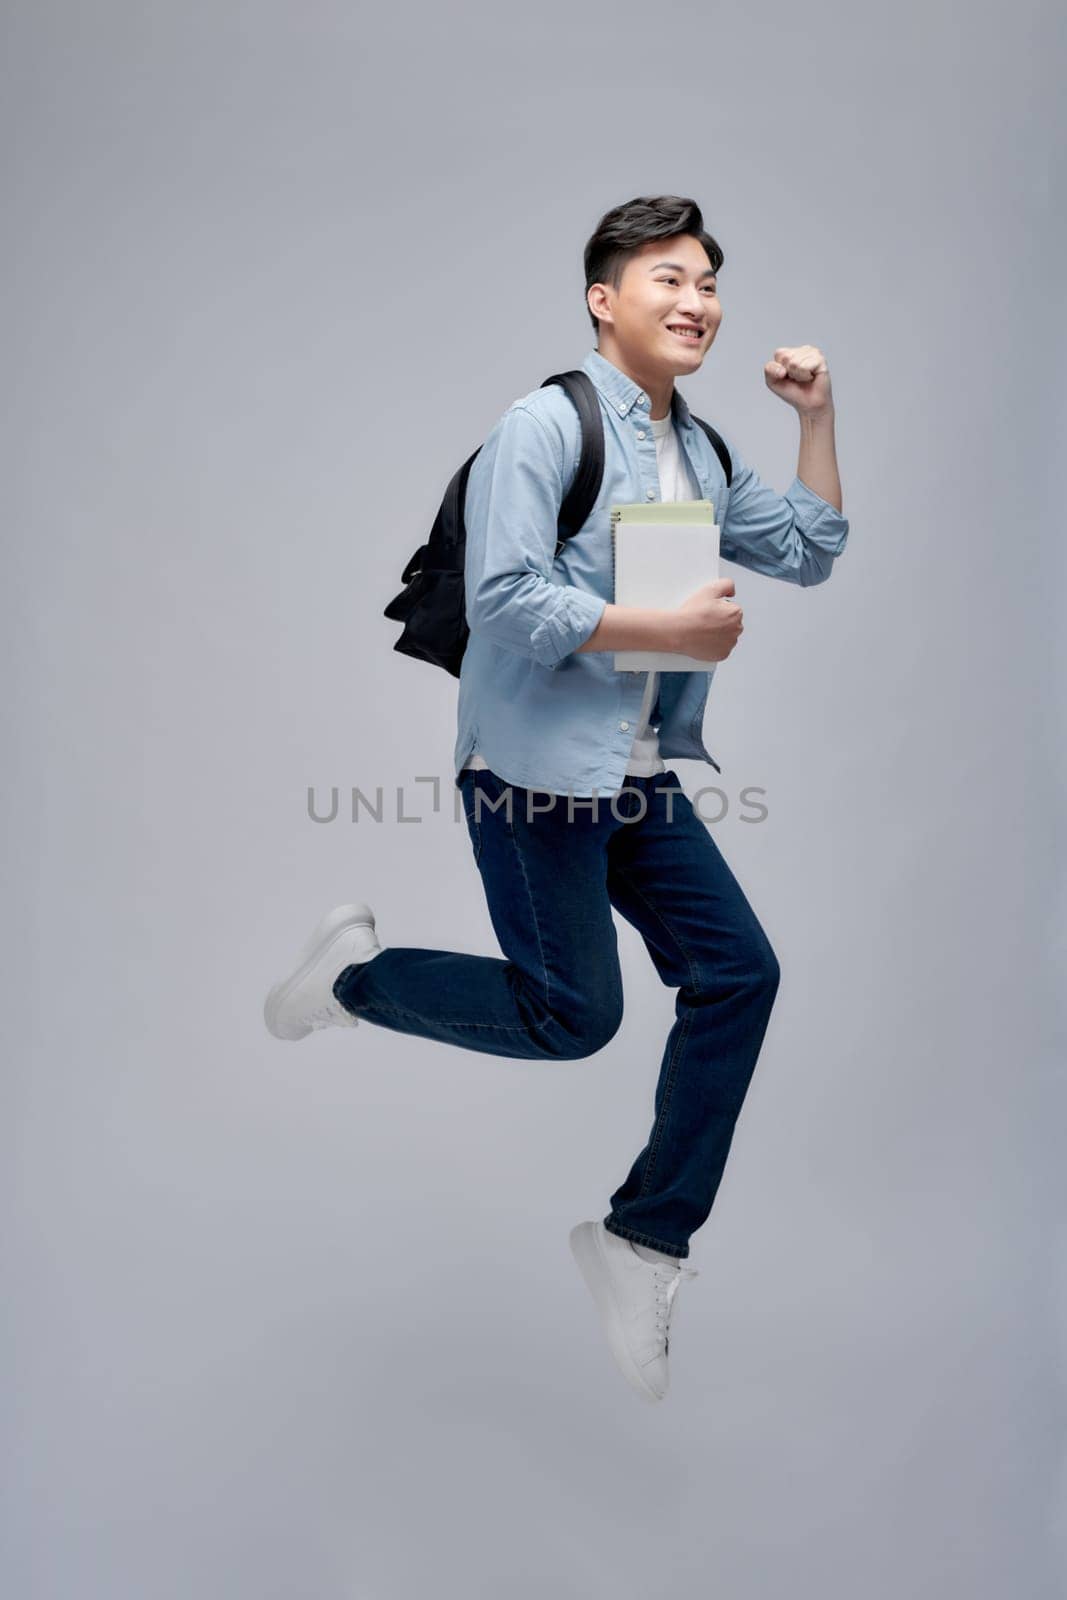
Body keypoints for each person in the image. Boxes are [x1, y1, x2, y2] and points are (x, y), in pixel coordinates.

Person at [263, 194, 849, 1403]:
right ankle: (350, 982)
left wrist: (814, 417)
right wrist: (664, 623)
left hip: (633, 776)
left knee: (738, 972)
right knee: (572, 1016)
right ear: (604, 299)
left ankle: (642, 1239)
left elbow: (808, 547)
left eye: (704, 281)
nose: (694, 301)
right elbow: (508, 603)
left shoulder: (699, 442)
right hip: (533, 775)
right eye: (665, 280)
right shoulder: (543, 426)